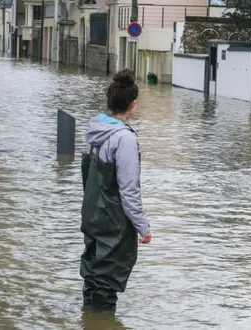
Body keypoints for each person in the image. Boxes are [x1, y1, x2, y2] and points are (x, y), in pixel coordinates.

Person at [81, 68, 151, 311]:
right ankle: (101, 322)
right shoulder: (125, 139)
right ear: (133, 104)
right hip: (112, 220)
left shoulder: (96, 130)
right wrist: (143, 226)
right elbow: (129, 190)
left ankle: (90, 321)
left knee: (92, 273)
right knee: (107, 280)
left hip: (92, 215)